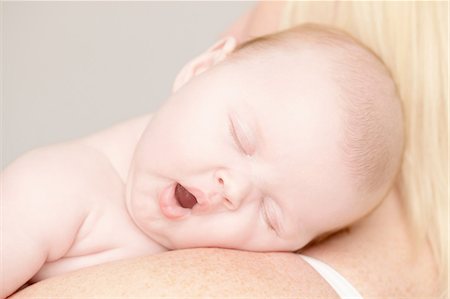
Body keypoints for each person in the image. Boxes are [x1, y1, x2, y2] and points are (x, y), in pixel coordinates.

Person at [6, 2, 446, 298]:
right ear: (201, 69)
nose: (234, 188)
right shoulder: (53, 192)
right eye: (240, 136)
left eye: (272, 216)